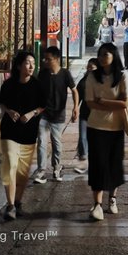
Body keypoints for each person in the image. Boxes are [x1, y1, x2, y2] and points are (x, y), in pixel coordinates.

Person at [85, 43, 128, 221]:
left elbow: (125, 103)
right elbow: (90, 103)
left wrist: (103, 101)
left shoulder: (121, 76)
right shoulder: (92, 77)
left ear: (113, 56)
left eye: (106, 54)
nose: (102, 57)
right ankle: (97, 205)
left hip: (116, 127)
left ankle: (112, 199)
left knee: (114, 164)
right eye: (100, 54)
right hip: (95, 127)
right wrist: (113, 103)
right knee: (97, 165)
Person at [0, 51, 46, 220]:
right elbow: (2, 102)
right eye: (27, 63)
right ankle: (10, 205)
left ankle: (17, 203)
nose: (31, 66)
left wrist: (32, 113)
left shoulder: (37, 85)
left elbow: (43, 106)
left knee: (22, 173)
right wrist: (9, 111)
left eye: (33, 63)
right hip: (9, 132)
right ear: (19, 65)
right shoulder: (8, 84)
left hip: (28, 133)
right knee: (10, 164)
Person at [34, 46, 79, 184]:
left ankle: (56, 167)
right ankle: (41, 170)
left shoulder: (65, 74)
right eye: (45, 59)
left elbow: (74, 91)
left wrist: (75, 108)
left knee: (56, 143)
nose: (46, 61)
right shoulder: (43, 73)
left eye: (49, 59)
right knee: (41, 141)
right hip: (43, 113)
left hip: (58, 114)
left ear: (57, 59)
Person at [75, 58, 98, 174]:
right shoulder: (83, 81)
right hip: (84, 113)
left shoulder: (102, 82)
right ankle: (83, 160)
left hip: (97, 115)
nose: (89, 69)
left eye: (92, 68)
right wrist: (75, 109)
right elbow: (77, 95)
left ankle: (93, 163)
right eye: (88, 67)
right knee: (83, 137)